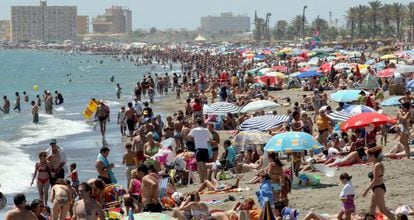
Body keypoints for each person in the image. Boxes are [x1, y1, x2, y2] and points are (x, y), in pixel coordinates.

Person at [362, 146, 395, 220]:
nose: (367, 157)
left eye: (368, 156)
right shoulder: (375, 164)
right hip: (375, 188)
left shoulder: (377, 165)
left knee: (382, 210)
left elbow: (375, 180)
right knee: (371, 210)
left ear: (373, 156)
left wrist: (366, 191)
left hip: (378, 188)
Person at [188, 117, 211, 183]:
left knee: (199, 165)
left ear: (197, 123)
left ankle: (201, 180)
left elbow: (189, 137)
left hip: (198, 148)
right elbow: (210, 138)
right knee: (204, 164)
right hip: (205, 148)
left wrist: (194, 138)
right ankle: (206, 179)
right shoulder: (206, 130)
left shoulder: (194, 130)